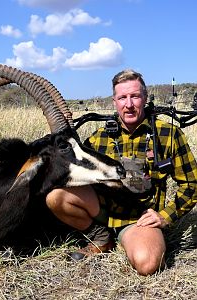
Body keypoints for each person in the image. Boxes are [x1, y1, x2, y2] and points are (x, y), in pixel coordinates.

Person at [46, 69, 197, 275]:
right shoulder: (97, 138)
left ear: (144, 98)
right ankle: (101, 237)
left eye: (135, 96)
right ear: (114, 101)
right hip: (102, 212)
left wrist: (164, 216)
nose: (129, 104)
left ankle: (129, 239)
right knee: (56, 197)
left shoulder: (168, 134)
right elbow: (70, 171)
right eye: (122, 97)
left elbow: (192, 184)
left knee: (148, 263)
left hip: (139, 219)